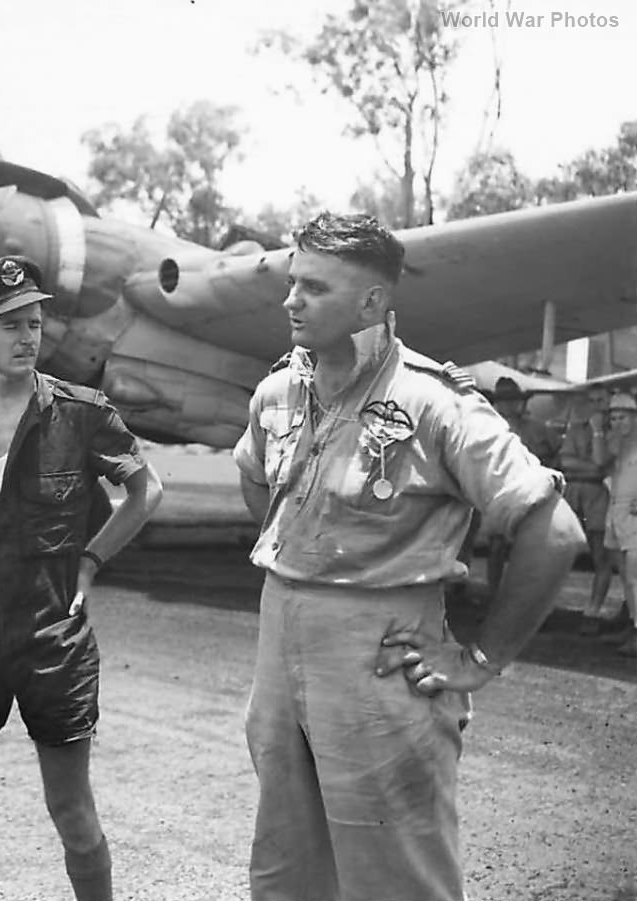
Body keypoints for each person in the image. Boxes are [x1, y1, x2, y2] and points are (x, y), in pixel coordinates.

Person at [233, 212, 583, 901]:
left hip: (379, 658)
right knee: (285, 867)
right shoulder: (279, 391)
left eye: (315, 287)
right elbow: (256, 477)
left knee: (396, 876)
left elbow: (556, 532)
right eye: (292, 282)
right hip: (280, 645)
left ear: (371, 301)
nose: (291, 301)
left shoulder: (431, 403)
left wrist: (479, 657)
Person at [0, 255, 164, 901]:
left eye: (35, 323)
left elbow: (145, 490)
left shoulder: (79, 413)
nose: (27, 337)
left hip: (53, 640)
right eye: (10, 324)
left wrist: (89, 562)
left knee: (72, 811)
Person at [485, 376, 562, 594]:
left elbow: (559, 453)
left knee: (530, 547)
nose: (510, 405)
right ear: (496, 404)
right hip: (500, 493)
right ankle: (494, 594)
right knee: (497, 546)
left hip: (533, 493)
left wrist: (547, 474)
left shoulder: (539, 428)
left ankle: (527, 596)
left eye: (514, 400)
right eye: (505, 401)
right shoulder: (490, 429)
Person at [560, 386, 616, 634]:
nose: (597, 406)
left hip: (600, 495)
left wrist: (597, 433)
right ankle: (544, 609)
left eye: (601, 400)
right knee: (559, 551)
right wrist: (593, 467)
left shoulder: (617, 431)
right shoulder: (576, 429)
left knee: (600, 555)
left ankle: (592, 612)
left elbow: (604, 464)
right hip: (574, 493)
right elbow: (566, 462)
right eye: (592, 401)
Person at [591, 391, 637, 656]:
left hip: (633, 513)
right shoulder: (617, 442)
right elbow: (599, 461)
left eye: (623, 417)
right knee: (627, 576)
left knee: (634, 575)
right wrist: (598, 430)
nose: (618, 423)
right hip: (617, 510)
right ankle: (632, 625)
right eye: (614, 418)